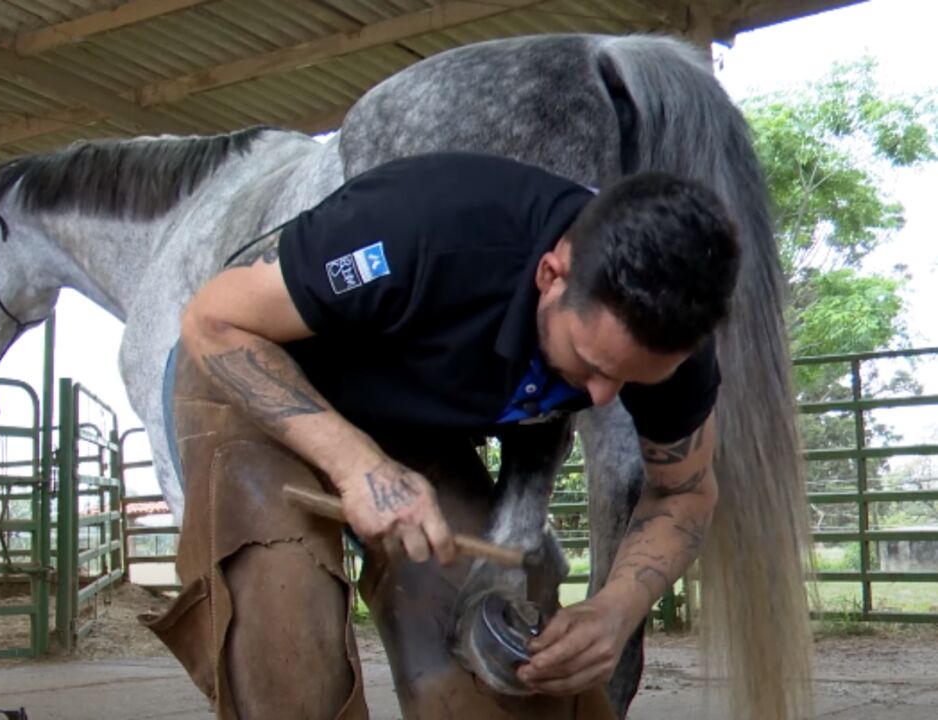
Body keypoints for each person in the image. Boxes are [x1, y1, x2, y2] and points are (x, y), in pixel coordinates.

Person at [159, 152, 740, 720]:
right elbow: (214, 322)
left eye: (629, 378)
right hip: (259, 375)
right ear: (550, 277)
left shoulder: (673, 337)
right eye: (589, 363)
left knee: (498, 668)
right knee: (287, 644)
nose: (601, 397)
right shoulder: (422, 227)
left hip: (409, 416)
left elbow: (683, 492)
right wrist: (356, 463)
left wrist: (617, 610)